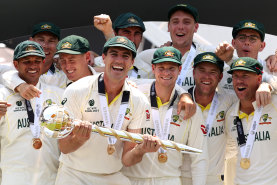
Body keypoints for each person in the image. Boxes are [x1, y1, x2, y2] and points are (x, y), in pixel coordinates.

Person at [55, 36, 158, 185]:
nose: (119, 60)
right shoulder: (77, 90)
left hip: (111, 176)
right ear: (103, 58)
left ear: (132, 62)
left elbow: (127, 159)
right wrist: (79, 139)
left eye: (125, 56)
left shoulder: (138, 100)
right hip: (74, 175)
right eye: (114, 54)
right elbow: (64, 147)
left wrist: (141, 149)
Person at [121, 46, 208, 185]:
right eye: (161, 68)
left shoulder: (189, 108)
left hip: (169, 180)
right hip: (132, 179)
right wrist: (141, 149)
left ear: (180, 70)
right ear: (153, 68)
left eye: (171, 68)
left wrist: (184, 94)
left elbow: (199, 158)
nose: (166, 73)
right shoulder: (135, 94)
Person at [0, 40, 63, 185]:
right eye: (26, 61)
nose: (33, 66)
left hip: (51, 177)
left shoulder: (58, 94)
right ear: (16, 65)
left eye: (37, 61)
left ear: (43, 63)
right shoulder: (2, 95)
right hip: (14, 178)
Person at [225, 57, 277, 185]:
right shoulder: (230, 115)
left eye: (245, 76)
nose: (239, 81)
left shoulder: (274, 104)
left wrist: (269, 84)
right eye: (236, 76)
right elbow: (230, 153)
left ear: (259, 79)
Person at [1, 35, 97, 90]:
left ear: (87, 57)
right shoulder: (56, 79)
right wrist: (20, 85)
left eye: (72, 60)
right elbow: (5, 73)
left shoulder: (105, 81)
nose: (67, 67)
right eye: (63, 60)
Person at [94, 12, 152, 78]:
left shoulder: (148, 72)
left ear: (141, 38)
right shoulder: (96, 63)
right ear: (115, 34)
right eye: (127, 32)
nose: (132, 40)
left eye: (137, 33)